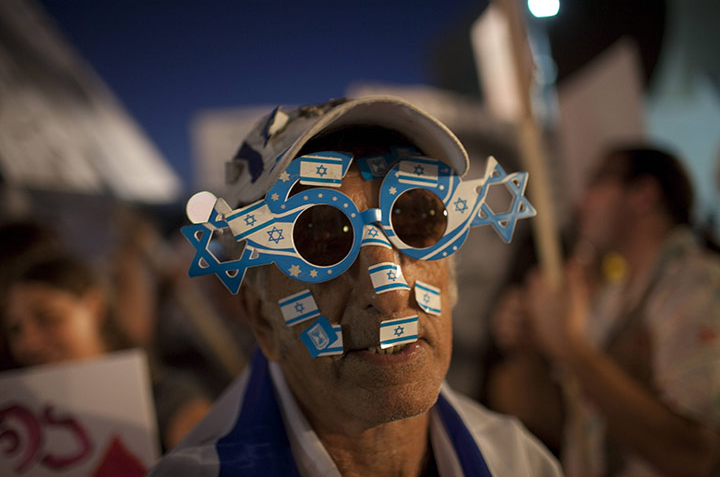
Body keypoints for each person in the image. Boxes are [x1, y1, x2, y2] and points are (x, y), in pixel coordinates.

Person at [149, 96, 561, 476]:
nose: (389, 294)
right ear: (262, 318)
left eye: (416, 220)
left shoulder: (518, 462)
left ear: (450, 278)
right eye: (322, 242)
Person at [495, 146, 720, 476]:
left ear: (643, 194)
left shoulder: (701, 286)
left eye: (596, 183)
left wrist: (569, 346)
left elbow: (695, 455)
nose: (580, 203)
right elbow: (553, 420)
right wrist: (528, 349)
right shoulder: (611, 299)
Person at [0, 253, 213, 450]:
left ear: (94, 306)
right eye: (15, 329)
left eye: (47, 317)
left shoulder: (163, 396)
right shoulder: (17, 428)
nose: (29, 342)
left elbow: (209, 455)